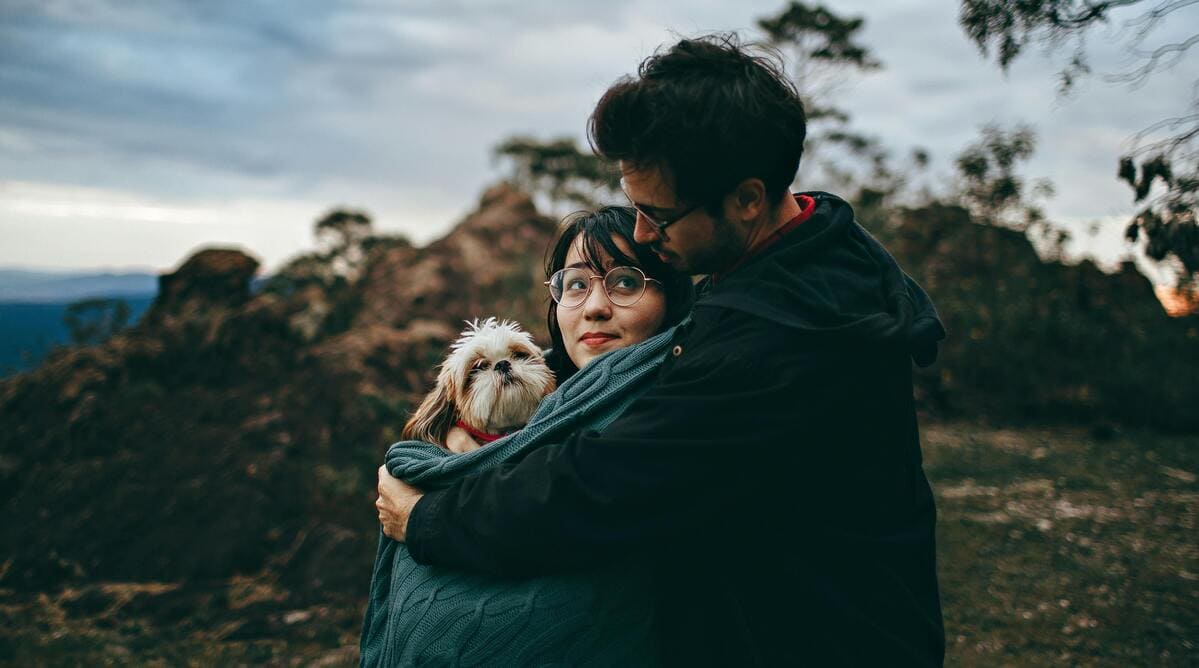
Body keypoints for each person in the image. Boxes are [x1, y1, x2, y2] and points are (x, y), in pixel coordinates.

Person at [377, 34, 947, 666]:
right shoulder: (817, 254)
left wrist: (429, 519)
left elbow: (601, 486)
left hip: (811, 638)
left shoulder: (777, 339)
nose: (644, 233)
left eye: (660, 216)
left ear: (748, 198)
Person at [361, 206, 694, 666]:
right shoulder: (554, 392)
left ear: (671, 294)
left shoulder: (683, 396)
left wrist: (424, 516)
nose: (595, 306)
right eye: (576, 284)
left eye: (625, 282)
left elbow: (572, 498)